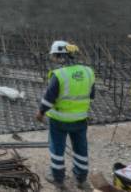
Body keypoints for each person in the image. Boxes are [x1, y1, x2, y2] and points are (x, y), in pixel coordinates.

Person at [35, 41, 95, 189]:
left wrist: (41, 112)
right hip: (80, 120)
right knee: (81, 149)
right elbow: (91, 95)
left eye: (55, 56)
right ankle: (81, 178)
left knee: (57, 149)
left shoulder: (60, 75)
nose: (54, 59)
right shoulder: (88, 72)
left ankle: (58, 178)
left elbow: (49, 98)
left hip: (59, 120)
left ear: (61, 56)